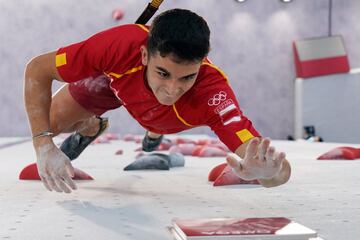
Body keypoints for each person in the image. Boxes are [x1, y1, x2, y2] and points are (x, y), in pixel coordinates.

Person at [24, 9, 291, 194]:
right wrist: (43, 143)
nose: (172, 90)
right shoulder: (118, 44)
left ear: (201, 65)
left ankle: (154, 132)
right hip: (113, 85)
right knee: (52, 122)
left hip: (167, 120)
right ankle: (91, 126)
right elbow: (37, 69)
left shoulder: (212, 93)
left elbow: (280, 171)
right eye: (163, 73)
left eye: (187, 77)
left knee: (161, 119)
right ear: (143, 55)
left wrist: (268, 174)